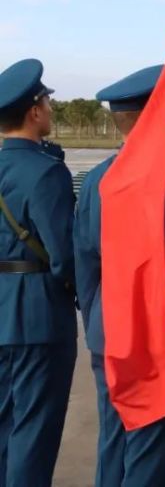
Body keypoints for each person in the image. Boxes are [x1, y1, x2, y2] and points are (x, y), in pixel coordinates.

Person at [74, 64, 165, 486]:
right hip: (154, 332)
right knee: (151, 444)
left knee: (114, 435)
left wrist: (95, 325)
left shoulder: (98, 180)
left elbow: (85, 264)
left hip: (108, 327)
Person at [0, 59, 77, 486]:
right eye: (47, 102)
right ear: (34, 112)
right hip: (37, 317)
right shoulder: (46, 173)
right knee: (34, 432)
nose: (49, 109)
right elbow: (64, 256)